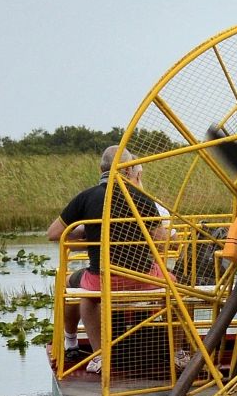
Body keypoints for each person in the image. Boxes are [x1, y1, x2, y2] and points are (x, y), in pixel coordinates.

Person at [47, 145, 170, 371]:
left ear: (100, 169)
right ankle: (179, 353)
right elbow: (161, 241)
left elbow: (54, 234)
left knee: (77, 288)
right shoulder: (141, 198)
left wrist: (87, 233)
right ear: (127, 170)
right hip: (143, 279)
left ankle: (82, 347)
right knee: (175, 282)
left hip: (103, 280)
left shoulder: (86, 197)